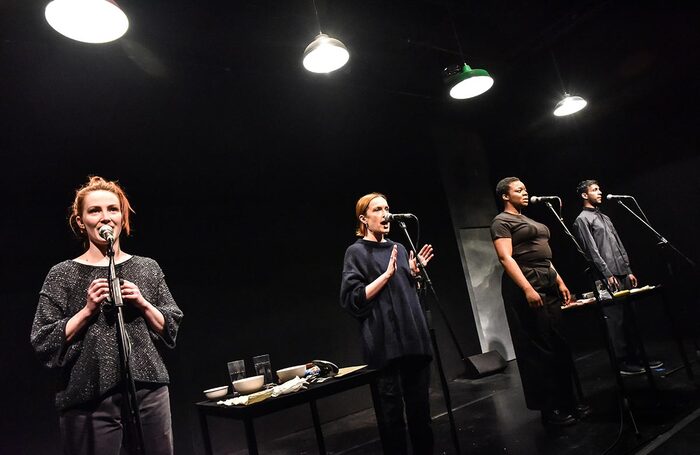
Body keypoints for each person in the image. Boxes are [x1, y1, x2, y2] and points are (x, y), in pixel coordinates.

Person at [30, 176, 183, 455]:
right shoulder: (62, 273)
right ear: (80, 221)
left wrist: (143, 303)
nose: (105, 218)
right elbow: (43, 339)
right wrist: (87, 310)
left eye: (113, 209)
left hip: (147, 389)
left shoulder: (147, 268)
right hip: (89, 394)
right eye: (94, 211)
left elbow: (170, 325)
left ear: (122, 216)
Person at [340, 192, 435, 454]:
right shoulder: (356, 252)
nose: (386, 215)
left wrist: (413, 275)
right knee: (391, 418)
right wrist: (386, 276)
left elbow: (405, 296)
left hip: (412, 340)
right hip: (385, 345)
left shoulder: (400, 248)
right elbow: (352, 299)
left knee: (421, 415)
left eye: (387, 208)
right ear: (363, 218)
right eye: (378, 210)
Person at [491, 177, 587, 426]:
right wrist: (527, 288)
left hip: (547, 277)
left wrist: (560, 281)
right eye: (518, 190)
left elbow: (545, 256)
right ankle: (549, 409)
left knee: (558, 342)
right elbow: (505, 257)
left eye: (525, 188)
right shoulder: (501, 221)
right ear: (505, 195)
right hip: (527, 279)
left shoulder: (530, 221)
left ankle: (569, 401)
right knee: (538, 346)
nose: (525, 192)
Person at [572, 179, 663, 375]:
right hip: (607, 276)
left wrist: (628, 269)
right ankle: (622, 362)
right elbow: (591, 251)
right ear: (584, 195)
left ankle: (637, 356)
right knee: (615, 320)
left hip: (621, 271)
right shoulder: (582, 219)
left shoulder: (604, 217)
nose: (600, 192)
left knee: (631, 316)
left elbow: (619, 244)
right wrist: (606, 273)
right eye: (595, 190)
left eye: (599, 188)